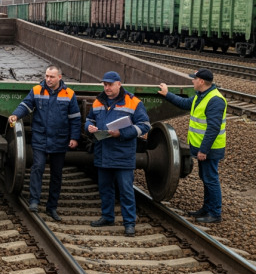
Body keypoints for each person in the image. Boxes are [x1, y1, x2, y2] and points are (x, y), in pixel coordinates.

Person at [8, 65, 81, 222]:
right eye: (47, 76)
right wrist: (15, 115)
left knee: (56, 174)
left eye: (52, 77)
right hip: (40, 137)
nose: (48, 79)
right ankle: (34, 201)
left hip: (60, 139)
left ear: (59, 78)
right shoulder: (37, 90)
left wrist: (74, 137)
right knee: (37, 167)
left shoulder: (69, 94)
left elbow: (75, 118)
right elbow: (26, 105)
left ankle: (52, 207)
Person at [85, 71, 151, 237]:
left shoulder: (133, 102)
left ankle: (129, 223)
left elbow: (144, 125)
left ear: (119, 84)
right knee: (105, 188)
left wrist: (121, 133)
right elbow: (89, 119)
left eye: (110, 85)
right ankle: (108, 217)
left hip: (123, 153)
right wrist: (89, 127)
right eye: (105, 85)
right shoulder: (98, 101)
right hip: (103, 151)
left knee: (126, 190)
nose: (107, 88)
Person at [158, 68, 226, 223]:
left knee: (211, 178)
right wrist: (167, 94)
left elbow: (213, 128)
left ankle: (215, 213)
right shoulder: (201, 96)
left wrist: (204, 150)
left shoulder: (215, 100)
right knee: (206, 177)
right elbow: (184, 103)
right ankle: (206, 208)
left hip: (210, 149)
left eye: (194, 79)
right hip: (204, 147)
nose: (192, 81)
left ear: (201, 81)